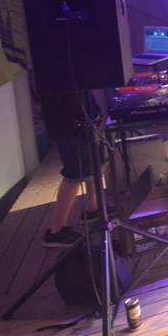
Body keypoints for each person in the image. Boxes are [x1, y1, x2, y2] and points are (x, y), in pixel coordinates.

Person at [41, 92, 102, 247]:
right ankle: (56, 231)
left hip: (77, 124)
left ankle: (92, 209)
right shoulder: (55, 80)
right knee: (74, 175)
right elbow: (68, 100)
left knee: (91, 167)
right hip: (70, 127)